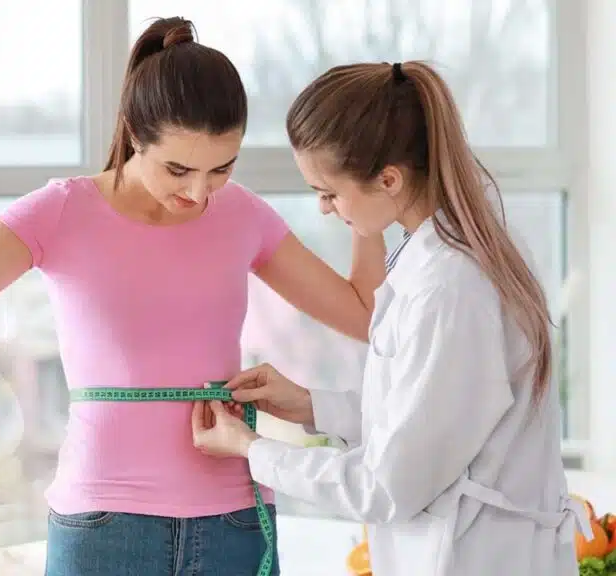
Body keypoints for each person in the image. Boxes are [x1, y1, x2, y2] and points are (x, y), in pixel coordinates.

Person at [0, 17, 385, 576]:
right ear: (134, 134)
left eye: (221, 168)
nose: (198, 192)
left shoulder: (241, 214)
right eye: (178, 168)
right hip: (103, 523)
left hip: (233, 521)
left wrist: (365, 200)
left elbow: (366, 316)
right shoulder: (62, 213)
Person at [190, 61, 591, 576]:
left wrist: (250, 449)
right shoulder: (452, 250)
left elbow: (386, 484)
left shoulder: (450, 287)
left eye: (330, 192)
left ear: (389, 179)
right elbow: (434, 415)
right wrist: (314, 407)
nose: (325, 209)